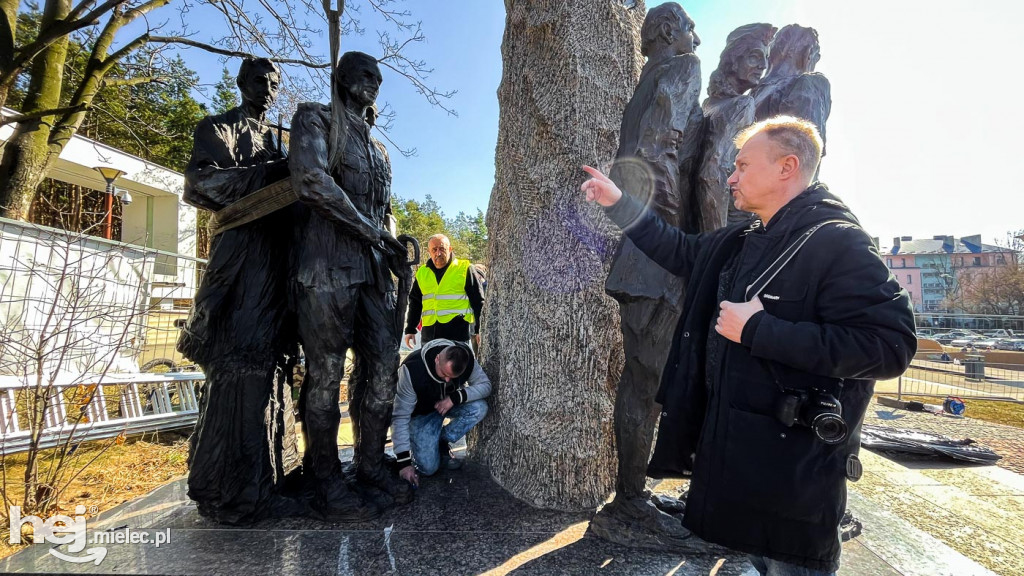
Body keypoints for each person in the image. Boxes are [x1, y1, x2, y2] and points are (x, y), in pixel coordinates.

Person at [581, 116, 916, 575]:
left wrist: (759, 329)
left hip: (794, 481)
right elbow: (677, 249)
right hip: (741, 467)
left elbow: (890, 347)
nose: (730, 176)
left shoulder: (839, 243)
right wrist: (618, 202)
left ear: (787, 167)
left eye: (742, 165)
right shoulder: (741, 241)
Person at [592, 1, 704, 546]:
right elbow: (658, 154)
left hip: (639, 257)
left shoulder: (645, 84)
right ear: (665, 30)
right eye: (688, 27)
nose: (696, 39)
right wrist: (679, 249)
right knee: (648, 386)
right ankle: (630, 502)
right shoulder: (681, 71)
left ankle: (631, 496)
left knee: (642, 385)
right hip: (658, 260)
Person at [288, 51, 412, 518]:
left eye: (379, 78)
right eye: (364, 75)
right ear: (340, 79)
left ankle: (369, 466)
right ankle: (325, 479)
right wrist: (369, 230)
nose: (374, 83)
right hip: (326, 270)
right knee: (325, 376)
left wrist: (394, 243)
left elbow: (385, 211)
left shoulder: (378, 151)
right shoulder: (314, 120)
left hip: (374, 272)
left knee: (382, 369)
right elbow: (311, 182)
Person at [178, 58, 301, 524]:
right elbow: (200, 184)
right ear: (241, 83)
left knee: (272, 371)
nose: (267, 89)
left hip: (276, 262)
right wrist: (271, 175)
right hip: (240, 260)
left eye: (273, 83)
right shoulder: (218, 129)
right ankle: (227, 489)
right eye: (258, 81)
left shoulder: (277, 137)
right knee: (238, 372)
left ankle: (271, 480)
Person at [695, 23, 776, 230]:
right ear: (733, 60)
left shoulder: (708, 104)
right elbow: (712, 174)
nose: (763, 66)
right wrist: (716, 243)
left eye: (765, 59)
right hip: (729, 225)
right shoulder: (742, 105)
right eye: (755, 57)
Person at [391, 339, 491, 487]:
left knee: (480, 408)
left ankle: (442, 440)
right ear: (437, 358)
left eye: (452, 377)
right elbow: (400, 416)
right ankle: (428, 440)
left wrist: (454, 398)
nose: (447, 380)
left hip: (448, 404)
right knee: (428, 469)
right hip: (421, 416)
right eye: (444, 374)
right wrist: (404, 463)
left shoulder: (464, 356)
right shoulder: (411, 370)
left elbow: (486, 386)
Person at [403, 234, 485, 349]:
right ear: (429, 252)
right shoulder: (422, 272)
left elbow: (478, 301)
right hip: (429, 334)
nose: (438, 253)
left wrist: (479, 329)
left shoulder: (465, 268)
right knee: (429, 366)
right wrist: (410, 328)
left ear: (450, 249)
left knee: (455, 367)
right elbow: (415, 302)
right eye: (434, 250)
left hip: (457, 334)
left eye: (442, 249)